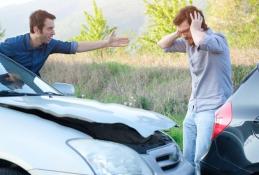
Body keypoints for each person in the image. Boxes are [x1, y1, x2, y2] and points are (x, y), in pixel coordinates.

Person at [157, 5, 232, 175]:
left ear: (198, 25)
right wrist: (179, 32)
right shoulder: (188, 43)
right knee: (187, 158)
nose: (184, 35)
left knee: (201, 158)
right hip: (193, 109)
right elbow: (163, 45)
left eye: (186, 31)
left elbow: (203, 41)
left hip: (211, 108)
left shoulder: (218, 40)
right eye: (181, 32)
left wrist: (195, 29)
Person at [0, 10, 129, 76]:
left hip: (33, 94)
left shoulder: (50, 45)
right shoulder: (12, 45)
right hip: (9, 97)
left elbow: (76, 46)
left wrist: (105, 43)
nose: (54, 32)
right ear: (36, 29)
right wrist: (6, 75)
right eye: (49, 29)